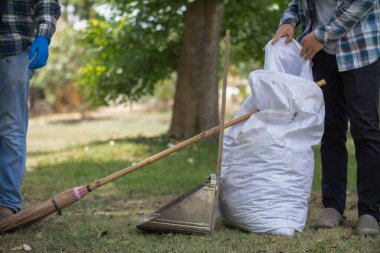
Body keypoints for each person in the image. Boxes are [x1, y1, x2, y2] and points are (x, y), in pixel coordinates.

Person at [272, 0, 380, 235]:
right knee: (330, 130)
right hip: (321, 56)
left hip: (360, 51)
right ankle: (333, 207)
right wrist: (289, 21)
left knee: (365, 130)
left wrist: (321, 34)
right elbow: (296, 4)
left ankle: (370, 212)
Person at [0, 1, 61, 220]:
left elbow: (47, 3)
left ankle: (6, 205)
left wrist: (43, 36)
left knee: (10, 129)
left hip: (13, 49)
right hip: (15, 51)